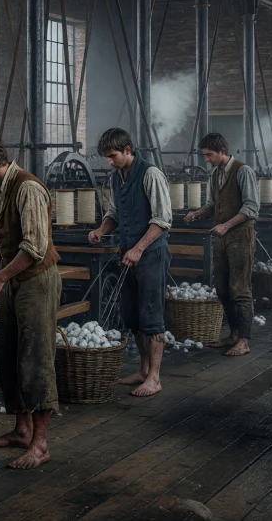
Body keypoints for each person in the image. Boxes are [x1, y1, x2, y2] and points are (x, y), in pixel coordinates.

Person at [0, 132, 59, 469]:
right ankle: (21, 430)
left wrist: (0, 277)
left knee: (35, 358)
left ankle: (41, 444)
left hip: (35, 281)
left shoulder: (28, 188)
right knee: (7, 357)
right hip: (15, 282)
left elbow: (34, 248)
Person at [89, 128, 173, 396]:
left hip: (151, 254)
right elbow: (114, 212)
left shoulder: (150, 174)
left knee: (152, 315)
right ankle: (144, 369)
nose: (109, 162)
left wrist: (138, 249)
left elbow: (162, 220)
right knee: (133, 316)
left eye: (113, 156)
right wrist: (102, 230)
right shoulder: (116, 178)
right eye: (106, 158)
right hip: (129, 253)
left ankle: (156, 378)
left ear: (127, 149)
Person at [185, 133, 258, 356]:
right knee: (222, 288)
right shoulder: (215, 174)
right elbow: (212, 203)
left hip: (240, 237)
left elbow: (251, 208)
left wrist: (226, 225)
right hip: (221, 238)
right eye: (205, 155)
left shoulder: (243, 171)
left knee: (240, 289)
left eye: (209, 155)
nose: (206, 159)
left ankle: (244, 341)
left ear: (222, 151)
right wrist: (198, 213)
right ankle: (234, 334)